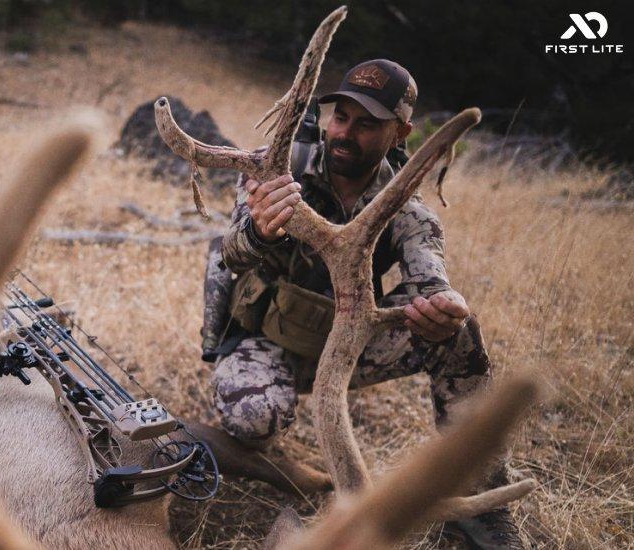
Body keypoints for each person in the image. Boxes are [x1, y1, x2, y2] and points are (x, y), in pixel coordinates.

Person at [211, 59, 525, 549]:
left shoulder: (409, 211)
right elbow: (229, 252)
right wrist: (258, 230)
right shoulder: (275, 169)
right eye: (340, 116)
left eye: (366, 124)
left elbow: (431, 281)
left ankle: (484, 498)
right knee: (254, 418)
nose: (345, 132)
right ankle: (262, 447)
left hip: (347, 342)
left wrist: (442, 313)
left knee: (461, 334)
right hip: (267, 337)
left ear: (400, 133)